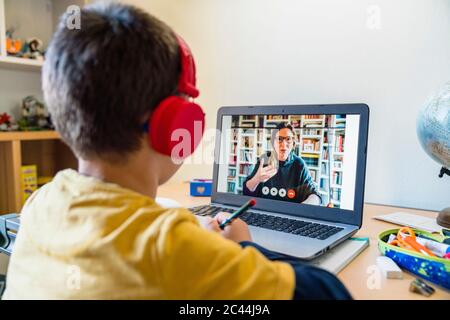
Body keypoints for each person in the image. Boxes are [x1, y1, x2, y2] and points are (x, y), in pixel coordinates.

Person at [3, 2, 350, 300]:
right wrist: (240, 248)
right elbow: (330, 293)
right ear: (175, 125)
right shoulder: (170, 245)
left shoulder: (39, 205)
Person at [244, 122, 321, 205]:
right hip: (264, 210)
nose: (284, 145)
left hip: (290, 213)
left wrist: (304, 206)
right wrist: (257, 179)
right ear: (273, 143)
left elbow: (315, 195)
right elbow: (246, 191)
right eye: (279, 139)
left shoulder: (299, 164)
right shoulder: (264, 159)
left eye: (288, 139)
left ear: (293, 143)